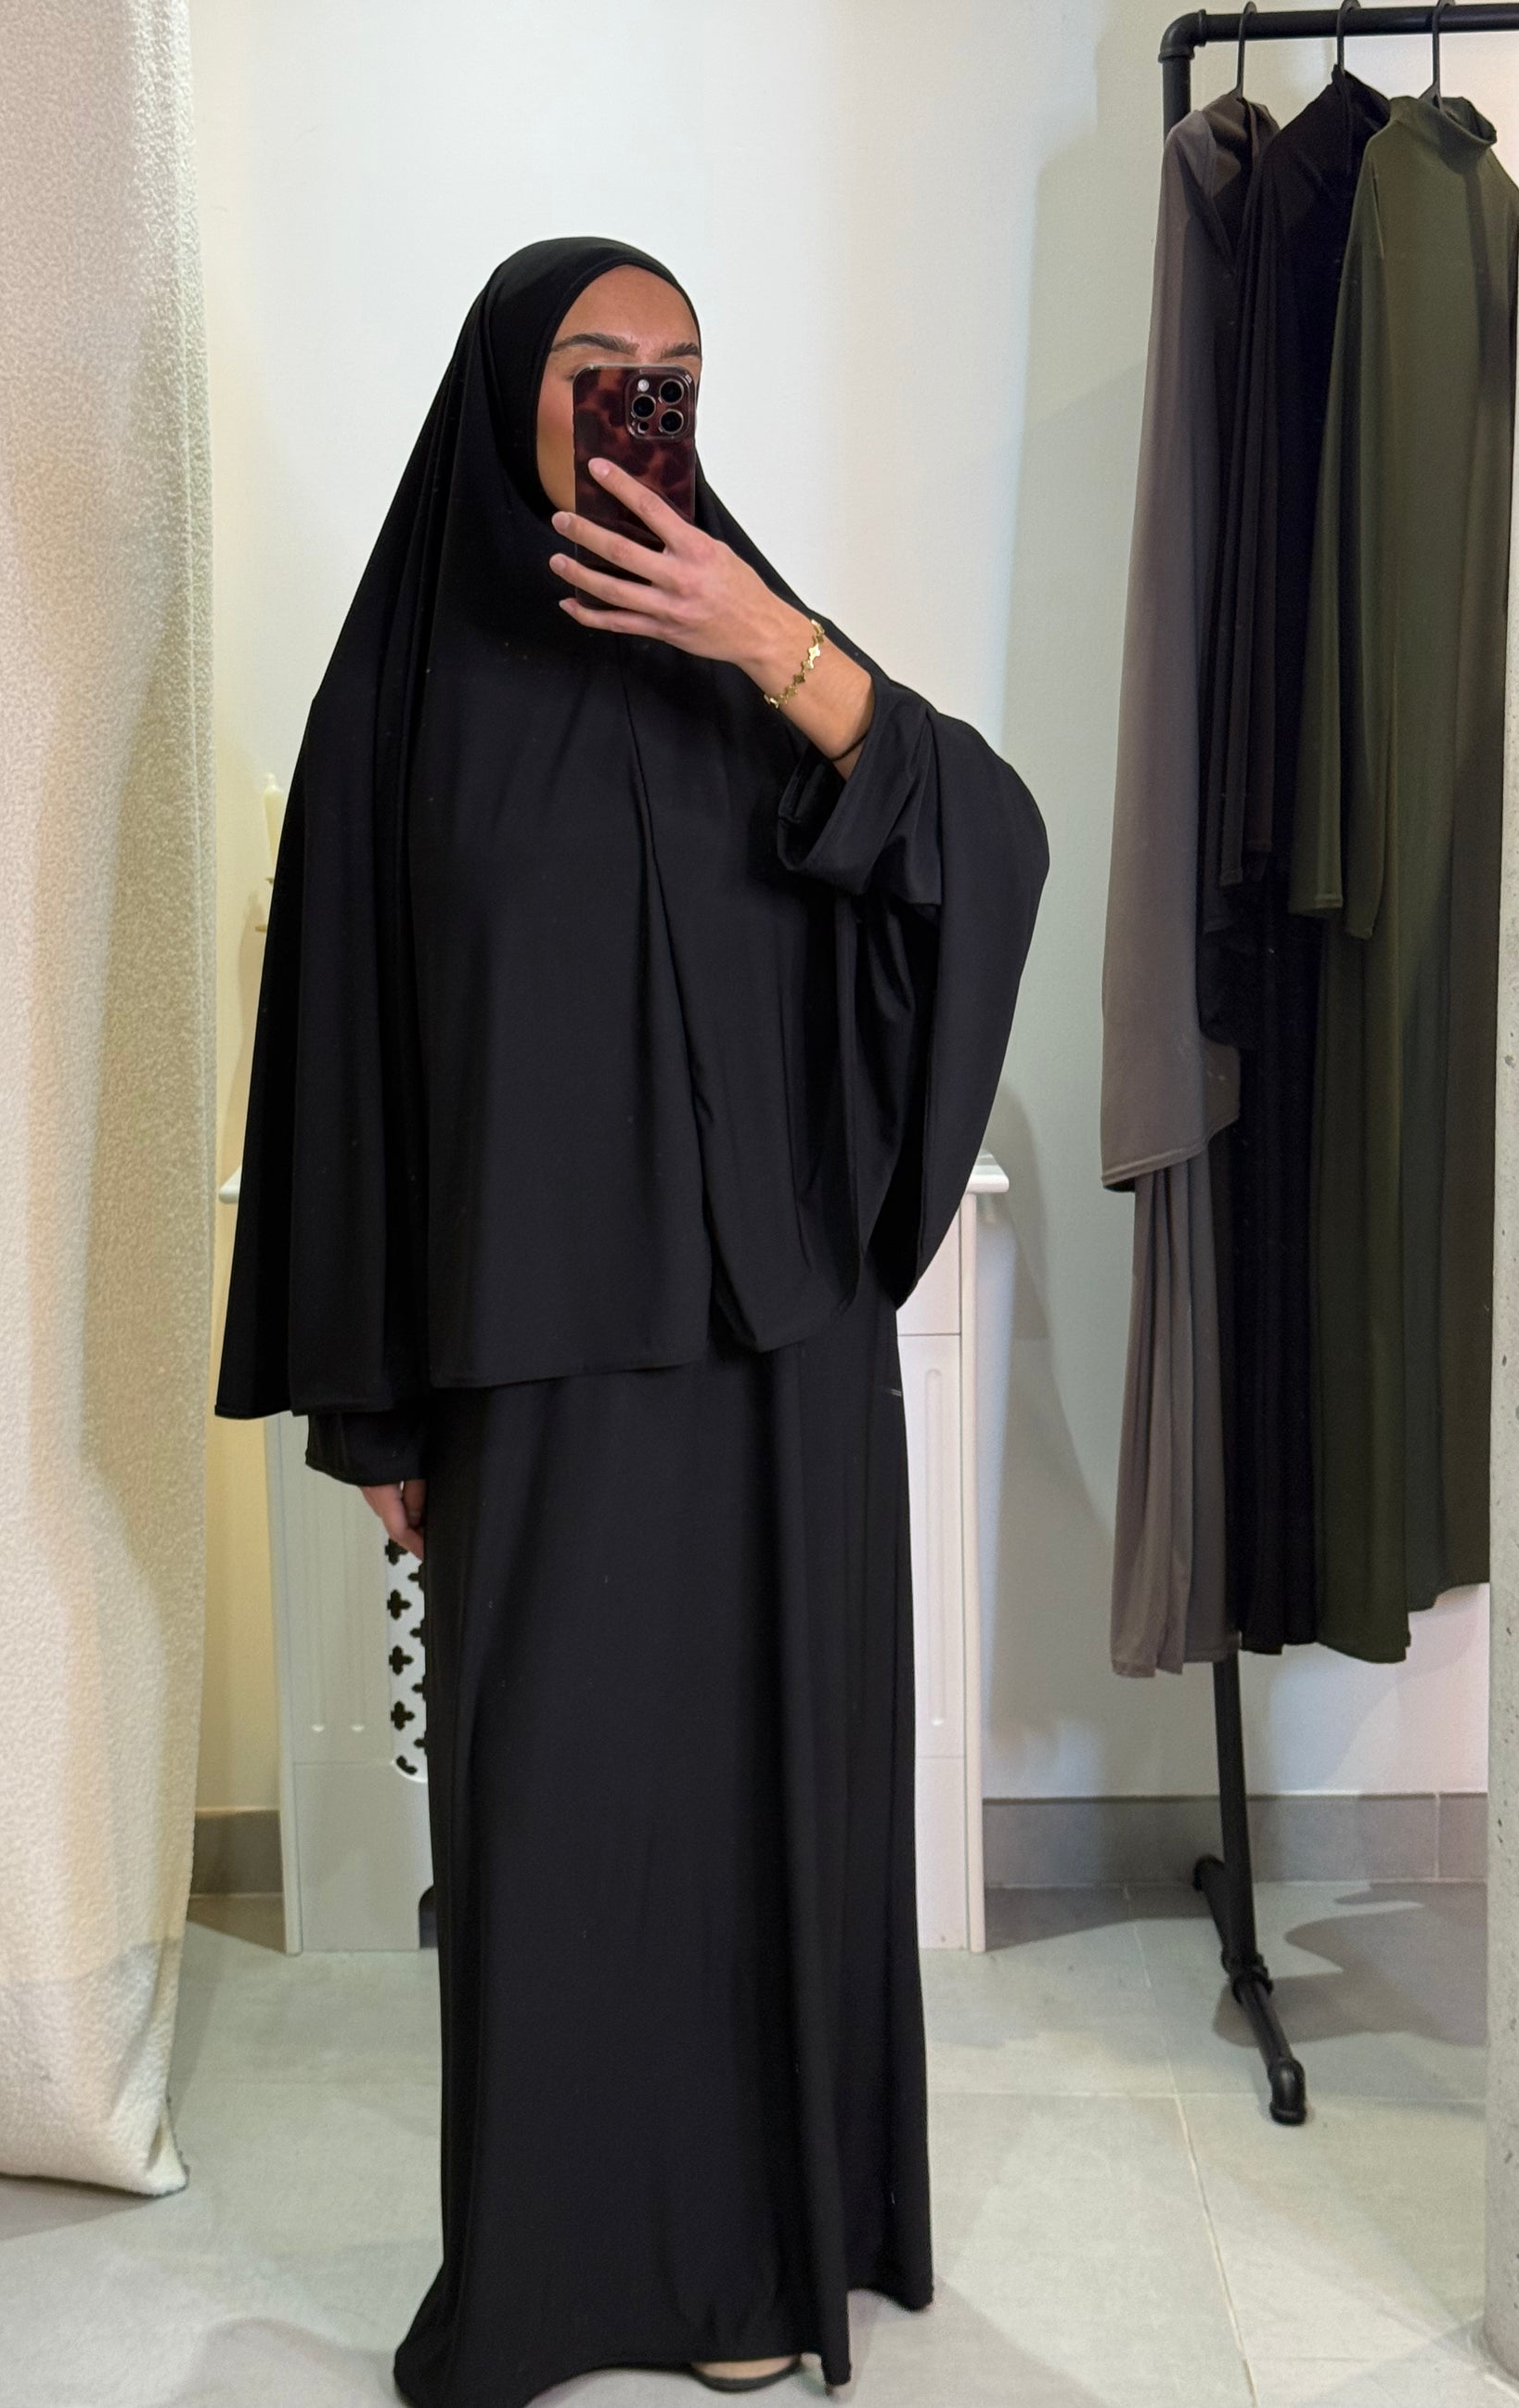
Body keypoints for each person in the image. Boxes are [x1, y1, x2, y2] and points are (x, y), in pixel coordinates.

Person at [215, 236, 1047, 2408]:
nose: (638, 404)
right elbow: (348, 1060)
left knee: (769, 1800)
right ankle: (565, 2274)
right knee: (559, 1821)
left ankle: (765, 2252)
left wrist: (772, 647)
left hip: (773, 1357)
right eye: (599, 366)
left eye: (676, 371)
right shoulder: (405, 691)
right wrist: (374, 1405)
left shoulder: (751, 640)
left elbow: (983, 842)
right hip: (534, 1359)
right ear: (511, 385)